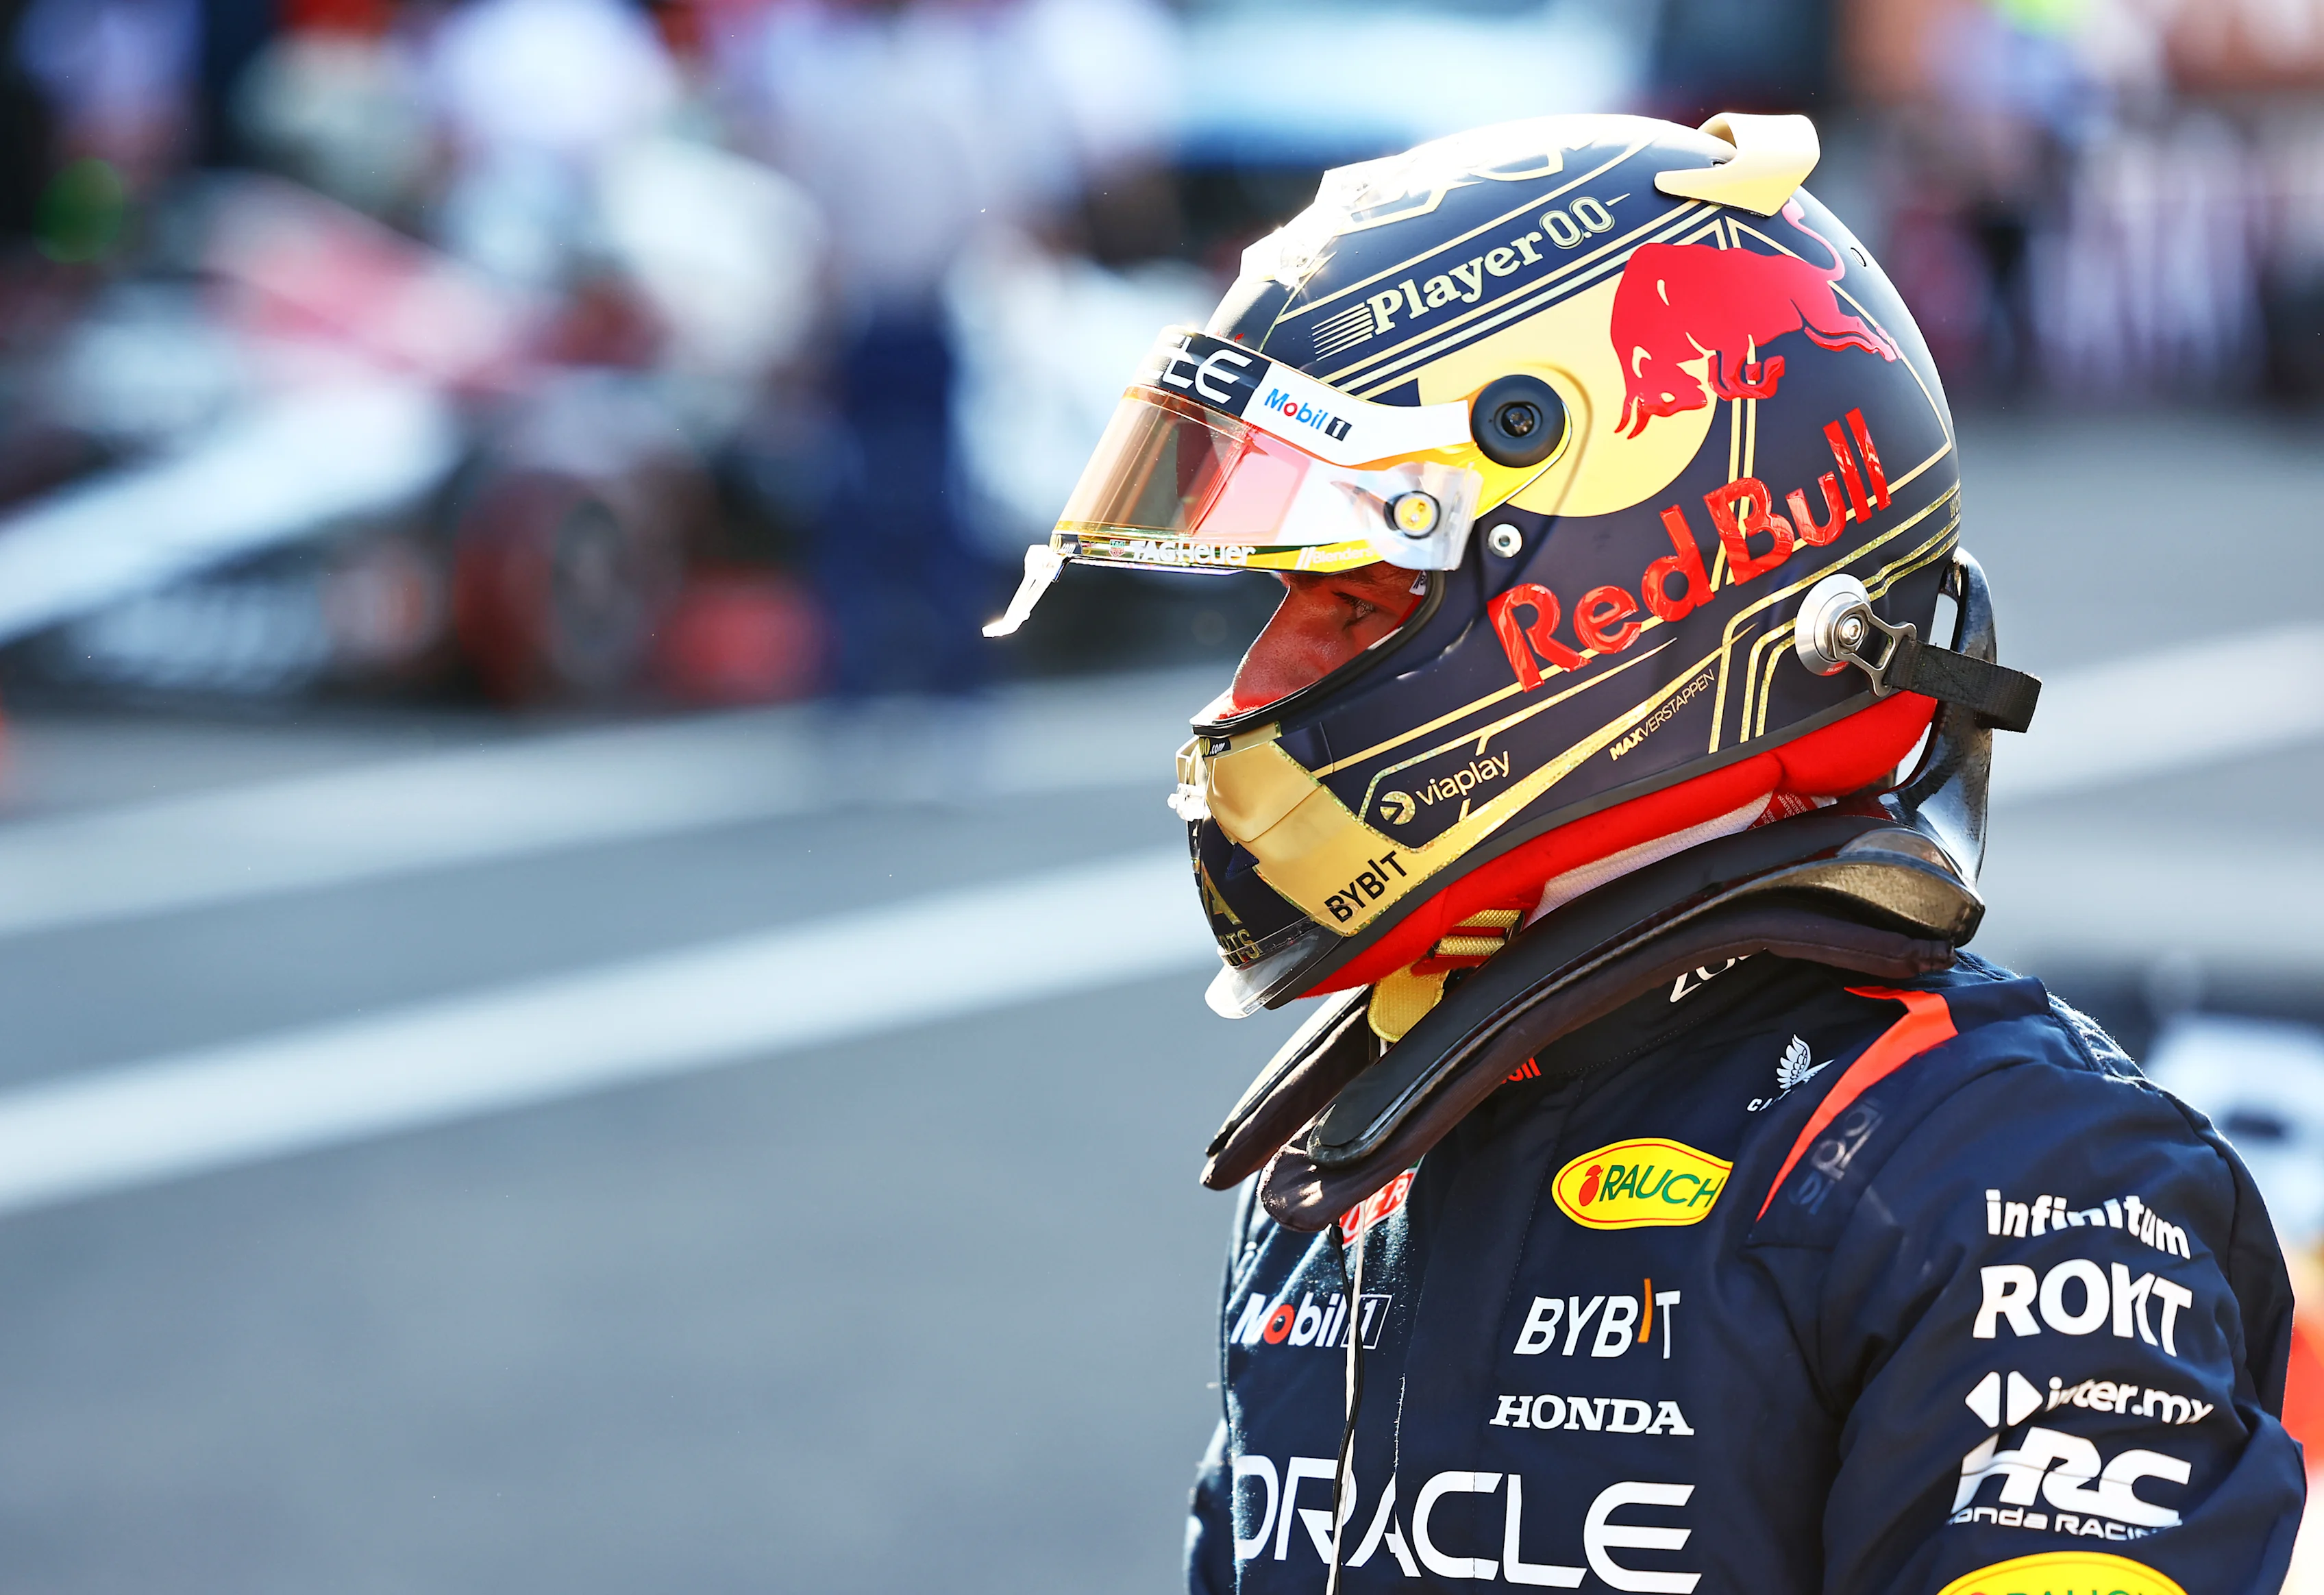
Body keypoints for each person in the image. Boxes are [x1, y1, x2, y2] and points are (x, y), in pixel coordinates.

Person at [987, 112, 2306, 1593]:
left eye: (1352, 609)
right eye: (1276, 608)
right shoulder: (1361, 1142)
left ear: (1640, 588)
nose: (1252, 696)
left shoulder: (2002, 1174)